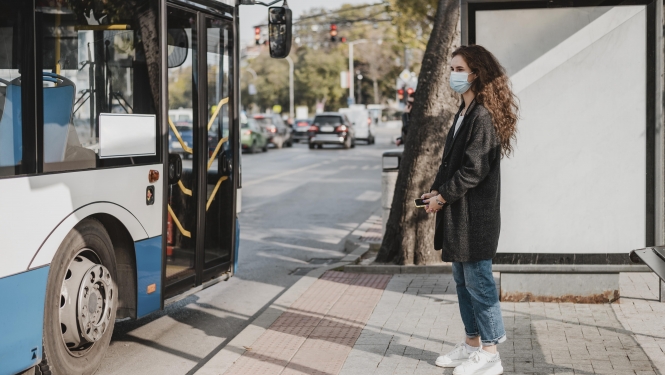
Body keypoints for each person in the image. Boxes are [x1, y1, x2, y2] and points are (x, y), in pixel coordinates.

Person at [421, 45, 518, 375]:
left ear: (477, 73)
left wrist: (443, 198)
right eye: (452, 69)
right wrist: (435, 191)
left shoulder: (482, 116)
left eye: (459, 69)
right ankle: (471, 344)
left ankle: (491, 353)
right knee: (463, 282)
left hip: (476, 218)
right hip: (459, 216)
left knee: (479, 283)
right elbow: (451, 164)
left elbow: (474, 170)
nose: (453, 75)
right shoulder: (464, 112)